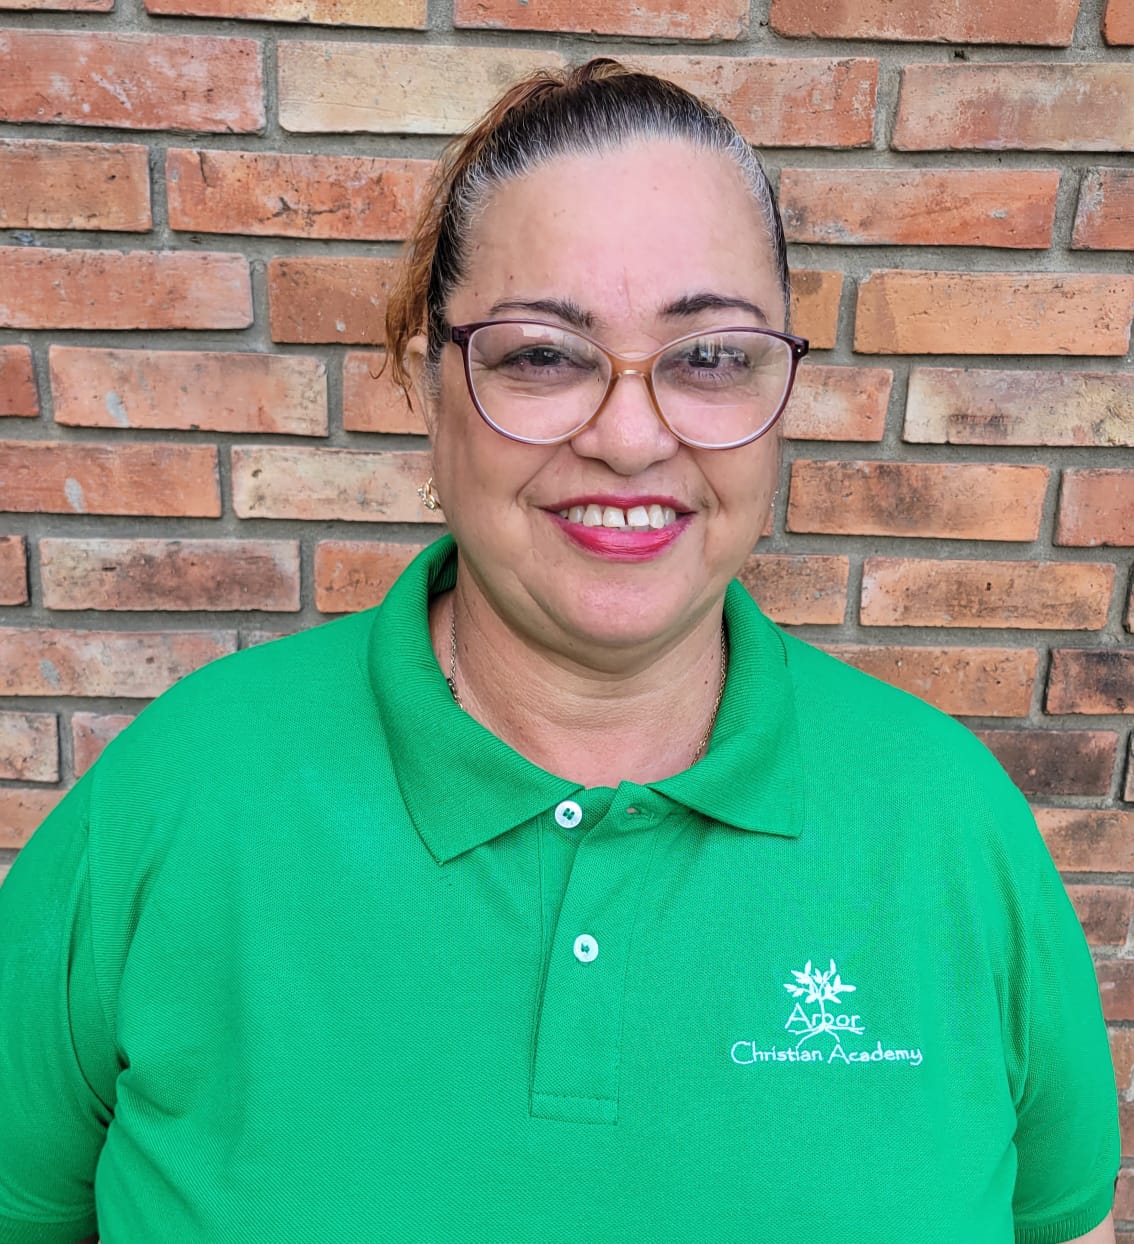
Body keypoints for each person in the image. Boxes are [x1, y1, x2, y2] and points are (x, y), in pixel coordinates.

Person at [0, 58, 1118, 1244]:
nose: (630, 437)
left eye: (709, 355)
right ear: (429, 384)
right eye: (541, 354)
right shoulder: (180, 795)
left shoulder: (952, 824)